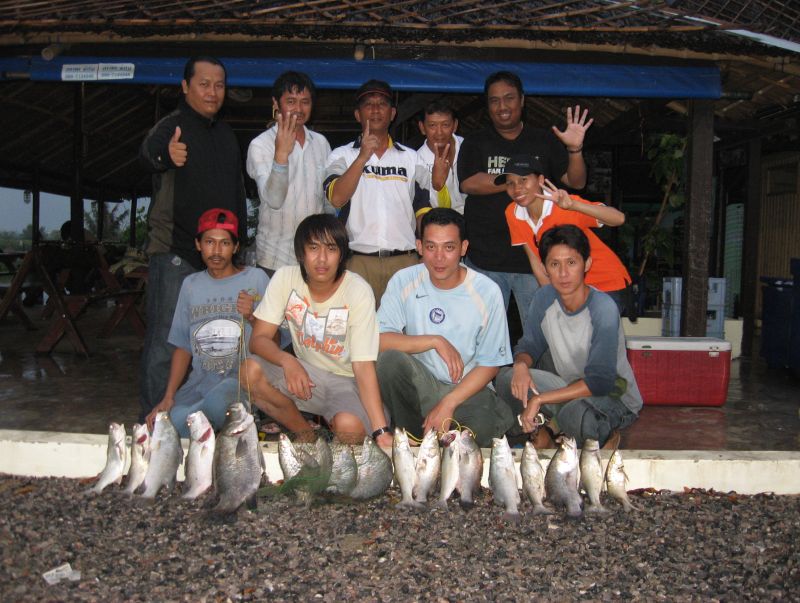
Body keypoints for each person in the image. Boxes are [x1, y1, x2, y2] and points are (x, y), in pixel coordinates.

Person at [138, 56, 247, 422]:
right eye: (204, 83)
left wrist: (239, 246)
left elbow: (236, 192)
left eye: (219, 84)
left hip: (218, 260)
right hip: (176, 253)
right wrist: (164, 154)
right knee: (166, 346)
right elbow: (146, 154)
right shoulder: (173, 126)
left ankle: (198, 421)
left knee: (217, 343)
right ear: (185, 87)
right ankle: (152, 429)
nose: (212, 91)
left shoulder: (227, 135)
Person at [457, 70, 593, 329]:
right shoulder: (476, 141)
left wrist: (574, 149)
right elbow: (468, 183)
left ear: (522, 100)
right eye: (494, 100)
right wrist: (516, 181)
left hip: (535, 261)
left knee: (543, 334)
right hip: (485, 258)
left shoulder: (543, 140)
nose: (502, 106)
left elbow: (576, 182)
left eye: (508, 98)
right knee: (481, 333)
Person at [242, 214, 392, 447]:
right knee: (249, 372)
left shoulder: (358, 290)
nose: (322, 259)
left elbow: (363, 366)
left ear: (341, 254)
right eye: (313, 247)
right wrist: (287, 361)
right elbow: (258, 339)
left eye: (331, 248)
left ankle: (344, 432)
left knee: (349, 427)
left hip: (347, 381)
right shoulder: (285, 278)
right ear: (301, 253)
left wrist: (381, 431)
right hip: (305, 373)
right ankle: (307, 435)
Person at [376, 208, 515, 448]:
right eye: (431, 247)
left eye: (449, 247)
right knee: (389, 361)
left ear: (463, 248)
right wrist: (435, 340)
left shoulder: (486, 291)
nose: (439, 257)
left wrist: (449, 402)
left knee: (475, 437)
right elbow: (378, 340)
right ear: (419, 246)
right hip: (424, 383)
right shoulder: (404, 280)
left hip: (467, 390)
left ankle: (450, 430)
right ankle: (412, 439)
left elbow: (491, 364)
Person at [496, 225, 641, 449]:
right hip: (567, 388)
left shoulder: (603, 308)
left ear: (587, 264)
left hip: (613, 396)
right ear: (544, 268)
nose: (563, 273)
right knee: (507, 379)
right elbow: (530, 345)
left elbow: (600, 381)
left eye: (571, 263)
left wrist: (541, 399)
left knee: (577, 415)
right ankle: (548, 429)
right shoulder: (544, 298)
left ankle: (582, 431)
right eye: (555, 264)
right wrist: (521, 365)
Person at [144, 209, 268, 437]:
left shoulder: (255, 279)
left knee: (217, 404)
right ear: (198, 244)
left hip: (241, 382)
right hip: (199, 385)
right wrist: (168, 397)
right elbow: (183, 346)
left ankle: (213, 422)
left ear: (236, 247)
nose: (217, 251)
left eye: (225, 243)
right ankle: (205, 424)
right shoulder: (191, 285)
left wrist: (252, 316)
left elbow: (276, 339)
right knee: (161, 426)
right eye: (210, 242)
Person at [323, 79, 431, 305]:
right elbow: (336, 198)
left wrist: (429, 251)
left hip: (405, 262)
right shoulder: (341, 155)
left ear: (392, 113)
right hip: (358, 263)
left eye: (381, 104)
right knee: (359, 334)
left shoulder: (412, 158)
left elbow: (423, 209)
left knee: (405, 333)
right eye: (368, 105)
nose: (375, 110)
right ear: (357, 114)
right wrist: (363, 156)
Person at [496, 154, 632, 312]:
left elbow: (619, 218)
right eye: (510, 183)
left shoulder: (562, 205)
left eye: (523, 180)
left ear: (540, 180)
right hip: (569, 290)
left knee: (593, 335)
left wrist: (573, 205)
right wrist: (552, 301)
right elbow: (536, 262)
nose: (517, 188)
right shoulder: (512, 212)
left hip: (605, 283)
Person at [246, 71, 332, 276]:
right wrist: (281, 155)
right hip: (274, 259)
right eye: (291, 101)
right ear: (276, 103)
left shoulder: (321, 143)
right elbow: (274, 200)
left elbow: (328, 201)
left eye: (305, 102)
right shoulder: (261, 145)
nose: (299, 109)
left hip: (314, 258)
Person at [416, 100, 465, 214]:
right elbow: (432, 209)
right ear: (422, 127)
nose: (439, 132)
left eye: (445, 125)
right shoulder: (417, 162)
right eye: (432, 125)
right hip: (445, 223)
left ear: (455, 125)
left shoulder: (468, 147)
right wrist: (437, 186)